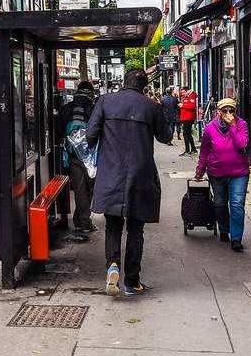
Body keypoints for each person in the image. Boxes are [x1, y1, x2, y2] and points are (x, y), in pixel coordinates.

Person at [86, 68, 172, 297]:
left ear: (123, 82)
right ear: (144, 86)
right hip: (141, 175)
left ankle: (112, 266)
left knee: (113, 226)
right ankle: (132, 282)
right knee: (136, 228)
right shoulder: (150, 106)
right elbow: (166, 137)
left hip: (112, 174)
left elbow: (90, 136)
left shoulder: (105, 101)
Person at [195, 98, 249, 251]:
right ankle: (224, 229)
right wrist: (200, 170)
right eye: (224, 110)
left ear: (235, 111)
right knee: (219, 204)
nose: (228, 113)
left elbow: (242, 144)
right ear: (218, 112)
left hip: (239, 173)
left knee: (237, 205)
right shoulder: (210, 128)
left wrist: (233, 126)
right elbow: (204, 151)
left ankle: (236, 238)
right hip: (216, 172)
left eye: (231, 110)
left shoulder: (241, 125)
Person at [59, 80, 97, 232]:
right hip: (91, 156)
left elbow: (59, 131)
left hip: (72, 154)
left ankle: (80, 219)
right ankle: (84, 221)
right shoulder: (94, 109)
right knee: (89, 188)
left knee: (79, 188)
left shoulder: (67, 108)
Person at [178, 85, 198, 155]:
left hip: (188, 118)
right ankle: (193, 149)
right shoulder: (186, 96)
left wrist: (182, 105)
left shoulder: (191, 95)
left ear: (186, 91)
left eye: (183, 92)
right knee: (188, 134)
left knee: (186, 134)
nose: (182, 94)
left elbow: (192, 106)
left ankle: (187, 150)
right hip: (185, 117)